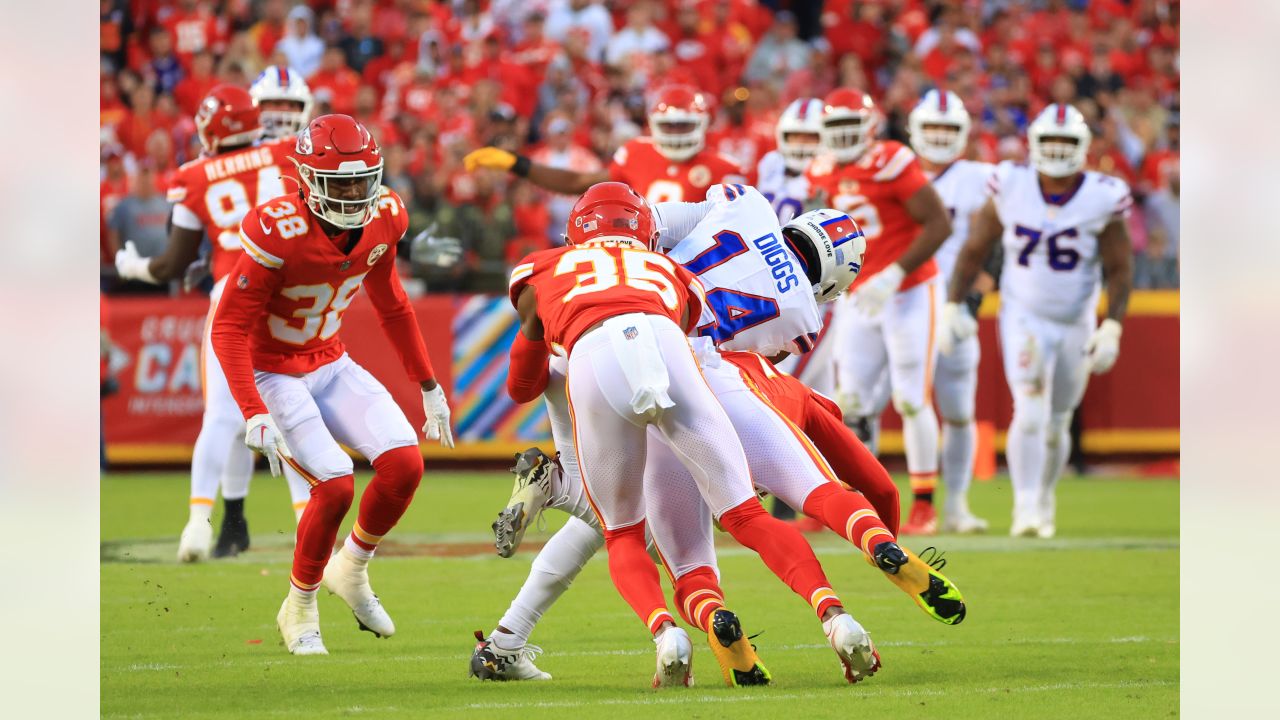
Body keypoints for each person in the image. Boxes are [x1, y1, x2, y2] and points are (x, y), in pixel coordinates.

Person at [475, 185, 966, 684]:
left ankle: (563, 561)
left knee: (619, 524)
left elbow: (649, 225)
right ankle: (838, 603)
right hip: (703, 368)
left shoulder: (744, 205)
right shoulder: (798, 321)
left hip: (583, 355)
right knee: (755, 510)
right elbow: (864, 470)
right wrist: (888, 523)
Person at [209, 114, 454, 655]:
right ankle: (298, 604)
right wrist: (252, 409)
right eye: (338, 182)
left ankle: (353, 568)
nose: (352, 192)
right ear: (304, 178)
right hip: (273, 370)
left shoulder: (385, 214)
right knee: (337, 483)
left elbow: (392, 303)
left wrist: (428, 384)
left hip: (331, 361)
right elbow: (226, 326)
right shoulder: (278, 230)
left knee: (405, 465)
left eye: (361, 179)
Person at [114, 85, 310, 561]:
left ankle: (197, 525)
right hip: (286, 295)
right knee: (297, 412)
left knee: (222, 417)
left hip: (234, 293)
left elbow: (172, 263)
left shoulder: (194, 176)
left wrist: (132, 266)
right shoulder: (285, 154)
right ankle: (309, 521)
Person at [940, 103, 1133, 538]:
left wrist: (1113, 324)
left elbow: (1120, 267)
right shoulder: (1011, 183)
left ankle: (1044, 499)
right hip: (1023, 313)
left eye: (1067, 142)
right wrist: (954, 302)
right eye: (1051, 141)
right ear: (1035, 145)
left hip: (1076, 318)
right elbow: (975, 247)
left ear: (1082, 146)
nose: (1059, 150)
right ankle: (1024, 506)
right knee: (1028, 409)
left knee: (1059, 417)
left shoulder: (1102, 194)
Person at [806, 87, 953, 536]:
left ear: (870, 126)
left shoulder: (892, 159)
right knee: (849, 402)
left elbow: (938, 224)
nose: (845, 137)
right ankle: (856, 504)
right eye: (836, 128)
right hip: (859, 296)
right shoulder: (822, 168)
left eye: (852, 126)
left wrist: (892, 275)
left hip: (908, 289)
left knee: (911, 397)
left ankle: (924, 506)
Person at [906, 89, 995, 534]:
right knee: (871, 403)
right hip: (899, 305)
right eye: (933, 127)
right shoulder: (891, 171)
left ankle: (956, 505)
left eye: (948, 128)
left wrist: (970, 302)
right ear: (914, 130)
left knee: (959, 410)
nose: (939, 136)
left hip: (951, 306)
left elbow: (995, 245)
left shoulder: (980, 177)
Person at [463, 84, 748, 203]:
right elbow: (579, 182)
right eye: (669, 125)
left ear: (701, 124)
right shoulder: (636, 152)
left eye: (683, 125)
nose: (675, 132)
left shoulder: (725, 170)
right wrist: (517, 163)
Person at [249, 65, 314, 140]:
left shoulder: (314, 148)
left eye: (292, 105)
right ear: (258, 105)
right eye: (277, 103)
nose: (286, 109)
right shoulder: (241, 148)